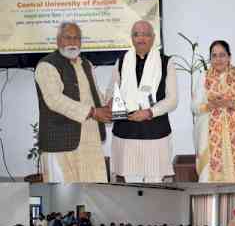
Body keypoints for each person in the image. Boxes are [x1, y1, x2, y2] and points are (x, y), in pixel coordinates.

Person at [35, 22, 110, 183]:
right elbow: (55, 100)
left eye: (77, 38)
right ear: (58, 40)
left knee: (92, 190)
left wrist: (110, 105)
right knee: (63, 194)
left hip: (90, 138)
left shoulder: (86, 64)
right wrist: (93, 112)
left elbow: (94, 94)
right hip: (60, 141)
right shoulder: (47, 65)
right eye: (67, 37)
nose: (72, 42)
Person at [108, 20, 178, 183]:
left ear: (153, 38)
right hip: (126, 133)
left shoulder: (166, 62)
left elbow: (173, 100)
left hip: (155, 133)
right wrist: (111, 101)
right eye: (136, 34)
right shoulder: (122, 61)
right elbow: (112, 91)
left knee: (155, 181)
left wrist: (149, 112)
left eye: (146, 34)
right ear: (131, 38)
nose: (141, 38)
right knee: (129, 181)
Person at [192, 40, 235, 182]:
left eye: (222, 55)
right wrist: (209, 105)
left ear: (229, 57)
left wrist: (231, 103)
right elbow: (194, 107)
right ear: (210, 58)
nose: (218, 59)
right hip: (210, 137)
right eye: (214, 56)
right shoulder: (203, 77)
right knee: (209, 180)